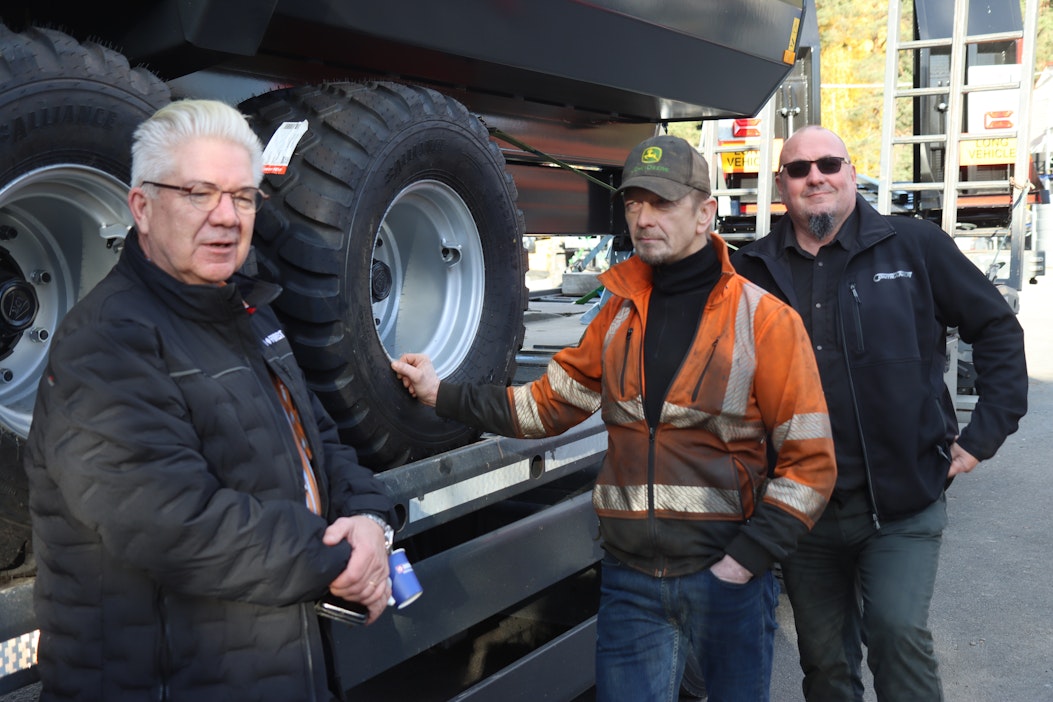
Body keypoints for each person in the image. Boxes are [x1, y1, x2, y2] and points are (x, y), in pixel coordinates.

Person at [392, 134, 836, 701]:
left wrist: (746, 562)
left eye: (662, 202)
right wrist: (440, 394)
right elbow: (546, 406)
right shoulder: (618, 313)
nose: (643, 218)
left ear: (705, 213)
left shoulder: (765, 321)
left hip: (726, 582)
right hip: (631, 584)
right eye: (633, 203)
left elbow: (811, 464)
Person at [24, 99, 398, 702]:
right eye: (199, 193)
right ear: (141, 207)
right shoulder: (107, 341)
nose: (227, 217)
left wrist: (374, 522)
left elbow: (321, 443)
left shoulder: (249, 312)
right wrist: (340, 561)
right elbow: (171, 522)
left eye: (243, 196)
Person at [732, 125, 1029, 701]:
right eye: (798, 169)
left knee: (897, 633)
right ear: (782, 185)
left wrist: (981, 435)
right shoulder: (752, 269)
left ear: (850, 172)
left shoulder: (914, 245)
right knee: (825, 663)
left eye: (828, 164)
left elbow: (995, 327)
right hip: (799, 507)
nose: (814, 176)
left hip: (899, 500)